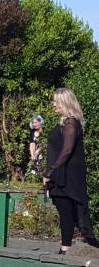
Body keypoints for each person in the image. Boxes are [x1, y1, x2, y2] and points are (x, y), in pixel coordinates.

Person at [43, 88, 99, 254]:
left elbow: (67, 150)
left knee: (66, 211)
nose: (53, 105)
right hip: (63, 174)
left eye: (56, 102)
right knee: (65, 209)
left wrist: (50, 172)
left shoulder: (70, 123)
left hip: (66, 176)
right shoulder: (64, 122)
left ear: (65, 103)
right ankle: (66, 246)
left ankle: (65, 248)